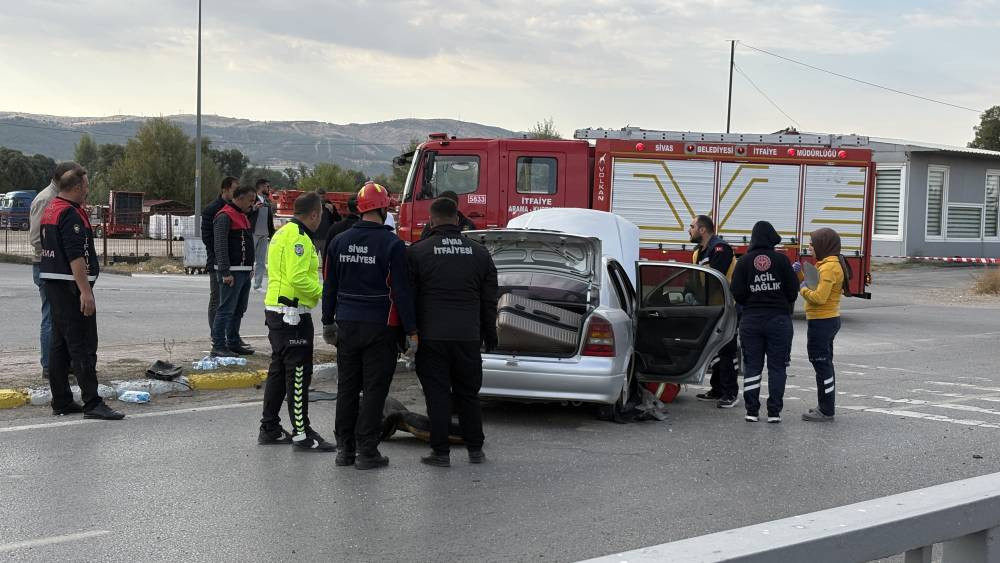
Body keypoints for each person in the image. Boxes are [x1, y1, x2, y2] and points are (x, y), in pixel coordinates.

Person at [322, 182, 416, 470]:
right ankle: (367, 451)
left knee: (348, 388)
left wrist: (327, 321)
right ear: (384, 207)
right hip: (381, 325)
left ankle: (344, 450)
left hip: (346, 324)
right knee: (375, 389)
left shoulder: (339, 241)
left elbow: (330, 286)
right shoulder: (392, 245)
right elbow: (402, 292)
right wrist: (411, 331)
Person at [407, 197, 498, 467]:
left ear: (432, 220)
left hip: (431, 336)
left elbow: (408, 298)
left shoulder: (417, 252)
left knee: (437, 395)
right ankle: (475, 450)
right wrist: (489, 334)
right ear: (458, 220)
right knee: (468, 394)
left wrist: (409, 333)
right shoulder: (480, 253)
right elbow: (489, 300)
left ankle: (441, 452)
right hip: (468, 336)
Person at [39, 163, 123, 420]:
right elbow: (75, 256)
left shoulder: (52, 208)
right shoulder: (70, 214)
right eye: (85, 185)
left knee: (59, 345)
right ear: (76, 187)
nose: (87, 189)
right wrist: (85, 292)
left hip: (55, 283)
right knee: (83, 344)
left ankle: (62, 400)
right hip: (70, 286)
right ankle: (92, 403)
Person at [258, 192, 336, 450]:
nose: (321, 220)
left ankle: (269, 427)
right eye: (321, 215)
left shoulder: (283, 232)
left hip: (277, 311)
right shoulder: (299, 238)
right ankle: (302, 433)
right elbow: (298, 278)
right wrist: (325, 293)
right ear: (314, 214)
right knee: (299, 373)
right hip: (293, 315)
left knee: (279, 372)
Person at [730, 221, 798, 423]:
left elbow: (737, 293)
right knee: (778, 367)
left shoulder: (743, 262)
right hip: (779, 320)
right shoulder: (782, 261)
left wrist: (752, 301)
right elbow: (792, 291)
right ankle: (774, 412)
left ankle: (751, 410)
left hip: (751, 320)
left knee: (752, 366)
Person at [29, 162, 77, 380]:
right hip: (47, 266)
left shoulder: (62, 198)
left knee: (64, 316)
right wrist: (56, 256)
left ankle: (62, 363)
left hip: (60, 268)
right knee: (51, 316)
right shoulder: (46, 199)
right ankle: (49, 365)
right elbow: (37, 238)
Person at [687, 215, 740, 408]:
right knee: (716, 350)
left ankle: (730, 392)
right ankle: (717, 389)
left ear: (702, 230)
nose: (689, 230)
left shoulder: (720, 249)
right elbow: (695, 278)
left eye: (692, 226)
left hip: (725, 306)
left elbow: (715, 280)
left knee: (727, 350)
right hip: (710, 307)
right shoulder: (699, 251)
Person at [796, 228, 845, 422]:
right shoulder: (828, 264)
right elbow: (816, 286)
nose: (809, 247)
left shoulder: (828, 268)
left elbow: (819, 297)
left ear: (822, 245)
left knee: (821, 364)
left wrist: (802, 290)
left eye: (811, 243)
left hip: (822, 321)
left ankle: (825, 409)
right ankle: (825, 406)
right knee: (824, 364)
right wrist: (801, 275)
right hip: (827, 319)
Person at [211, 185, 256, 357]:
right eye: (250, 200)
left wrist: (250, 267)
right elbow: (220, 246)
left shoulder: (243, 216)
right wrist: (225, 272)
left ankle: (233, 341)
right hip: (232, 271)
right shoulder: (224, 216)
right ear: (239, 198)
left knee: (239, 309)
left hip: (244, 271)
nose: (252, 204)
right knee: (226, 309)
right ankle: (218, 345)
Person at [202, 177, 238, 330]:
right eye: (234, 190)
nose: (237, 193)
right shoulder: (212, 209)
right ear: (225, 189)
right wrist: (221, 255)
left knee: (232, 302)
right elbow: (208, 238)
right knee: (217, 299)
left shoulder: (237, 209)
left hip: (234, 262)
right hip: (217, 261)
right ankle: (215, 334)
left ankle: (229, 335)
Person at [249, 179, 275, 293]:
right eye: (267, 187)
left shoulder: (267, 201)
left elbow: (269, 218)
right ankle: (245, 283)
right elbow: (245, 212)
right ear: (261, 187)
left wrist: (271, 232)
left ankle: (257, 285)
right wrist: (254, 208)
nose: (268, 189)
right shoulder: (252, 199)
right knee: (249, 260)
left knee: (261, 261)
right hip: (253, 233)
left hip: (264, 234)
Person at [312, 189, 342, 262]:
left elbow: (338, 219)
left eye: (323, 197)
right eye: (320, 197)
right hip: (314, 237)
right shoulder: (311, 206)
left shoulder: (330, 206)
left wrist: (332, 211)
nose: (322, 199)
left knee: (326, 261)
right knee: (311, 262)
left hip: (326, 237)